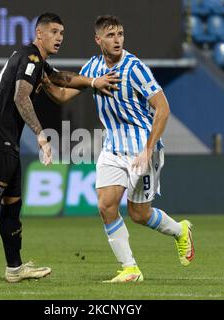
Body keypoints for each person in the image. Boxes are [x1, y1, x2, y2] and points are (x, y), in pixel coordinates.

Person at [0, 12, 119, 286]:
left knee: (12, 206)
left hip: (5, 142)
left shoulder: (35, 61)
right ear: (39, 33)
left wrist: (93, 82)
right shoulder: (31, 58)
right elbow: (20, 96)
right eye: (55, 32)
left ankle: (14, 268)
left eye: (62, 33)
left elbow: (60, 80)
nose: (60, 38)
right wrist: (41, 136)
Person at [42, 15, 195, 282]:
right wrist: (43, 82)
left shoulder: (135, 68)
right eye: (111, 35)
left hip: (142, 150)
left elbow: (163, 108)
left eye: (121, 34)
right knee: (106, 206)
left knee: (139, 214)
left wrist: (148, 150)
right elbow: (64, 95)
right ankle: (130, 268)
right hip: (112, 149)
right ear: (98, 40)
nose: (117, 40)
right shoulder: (93, 66)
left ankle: (180, 231)